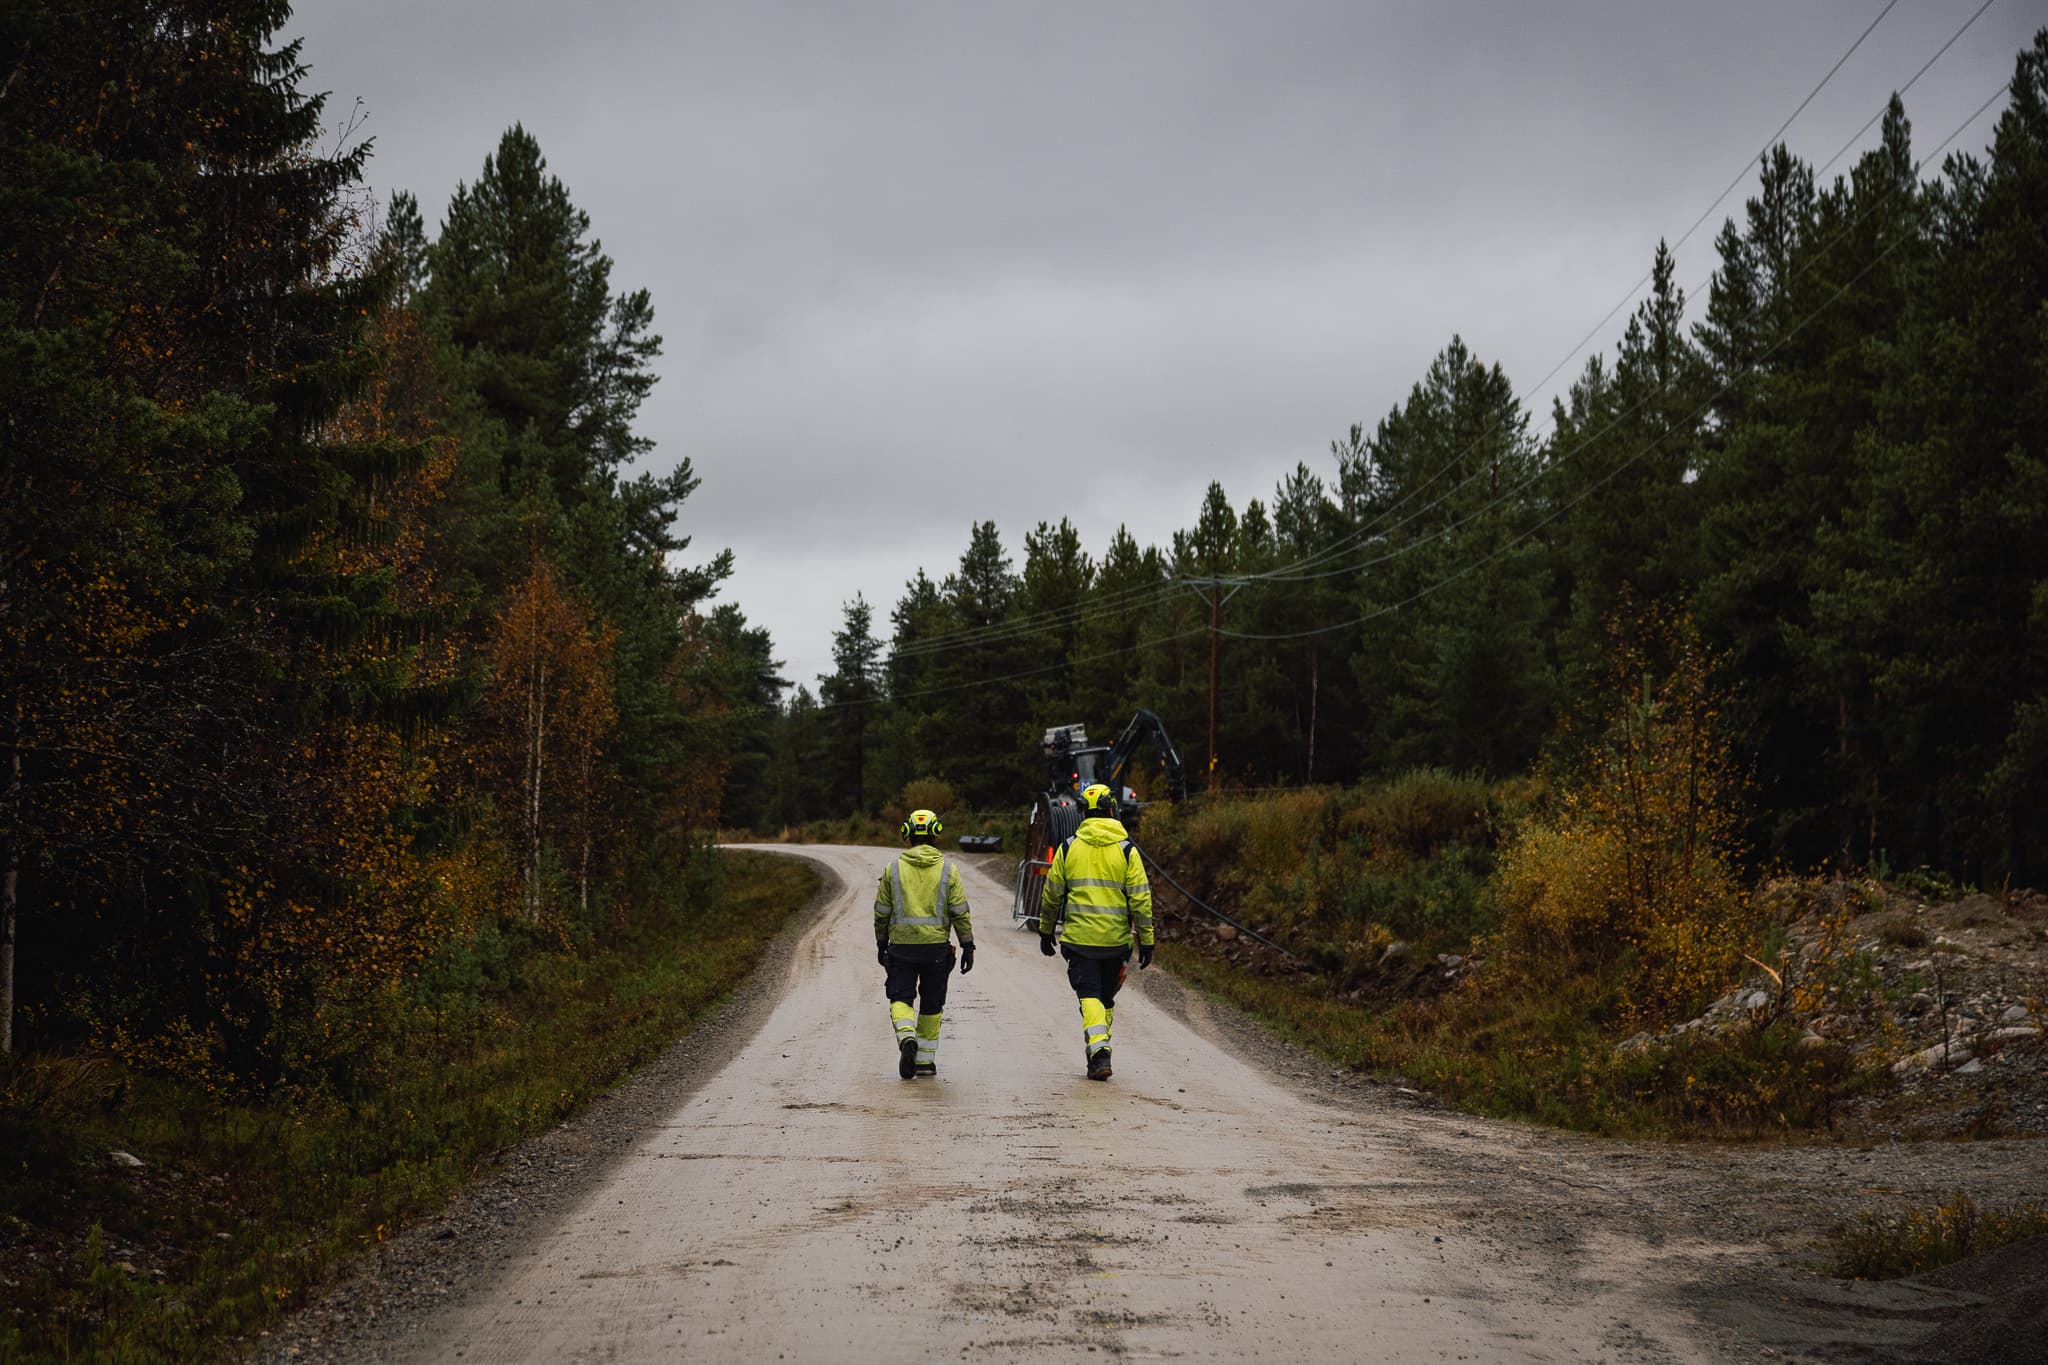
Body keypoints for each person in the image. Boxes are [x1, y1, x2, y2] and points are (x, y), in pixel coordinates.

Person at [1037, 782, 1154, 1080]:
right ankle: (1098, 1053)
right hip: (1116, 943)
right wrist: (1147, 940)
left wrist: (1046, 929)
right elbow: (1141, 900)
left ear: (1084, 813)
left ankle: (1100, 1051)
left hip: (1080, 942)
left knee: (1089, 995)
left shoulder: (1068, 848)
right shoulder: (1128, 851)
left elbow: (1051, 894)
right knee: (1105, 998)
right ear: (1112, 809)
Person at [874, 808, 973, 1079]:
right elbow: (959, 912)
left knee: (900, 998)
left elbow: (882, 911)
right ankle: (924, 1062)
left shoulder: (892, 869)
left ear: (907, 833)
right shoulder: (948, 870)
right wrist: (968, 945)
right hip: (937, 951)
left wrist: (881, 942)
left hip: (901, 948)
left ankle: (907, 1038)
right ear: (936, 834)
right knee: (932, 1003)